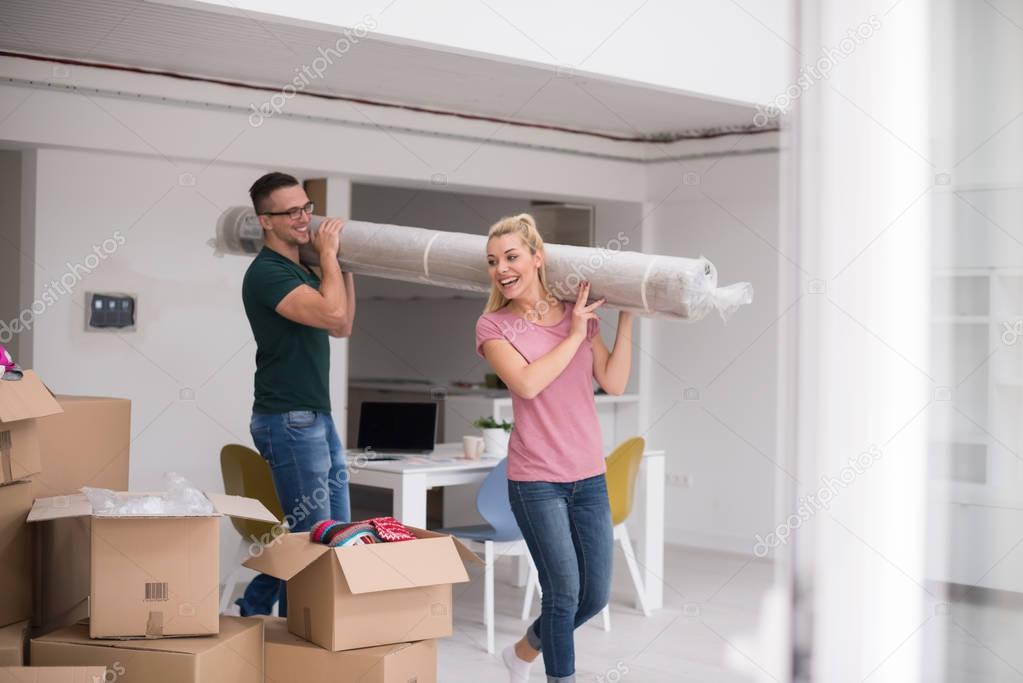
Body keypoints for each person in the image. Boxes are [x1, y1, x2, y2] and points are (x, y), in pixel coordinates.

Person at [474, 214, 634, 683]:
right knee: (562, 594)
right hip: (536, 480)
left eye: (511, 256)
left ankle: (522, 653)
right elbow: (527, 383)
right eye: (492, 261)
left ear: (537, 258)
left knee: (594, 596)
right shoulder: (493, 326)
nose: (501, 268)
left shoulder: (575, 310)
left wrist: (627, 314)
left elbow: (615, 381)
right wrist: (573, 335)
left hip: (588, 475)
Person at [235, 172, 355, 616]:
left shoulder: (301, 269)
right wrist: (327, 256)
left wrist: (343, 265)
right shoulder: (266, 274)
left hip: (314, 418)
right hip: (288, 419)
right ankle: (294, 638)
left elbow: (342, 326)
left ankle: (254, 608)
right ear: (265, 221)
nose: (304, 218)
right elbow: (331, 313)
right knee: (312, 538)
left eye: (306, 207)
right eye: (291, 212)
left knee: (332, 532)